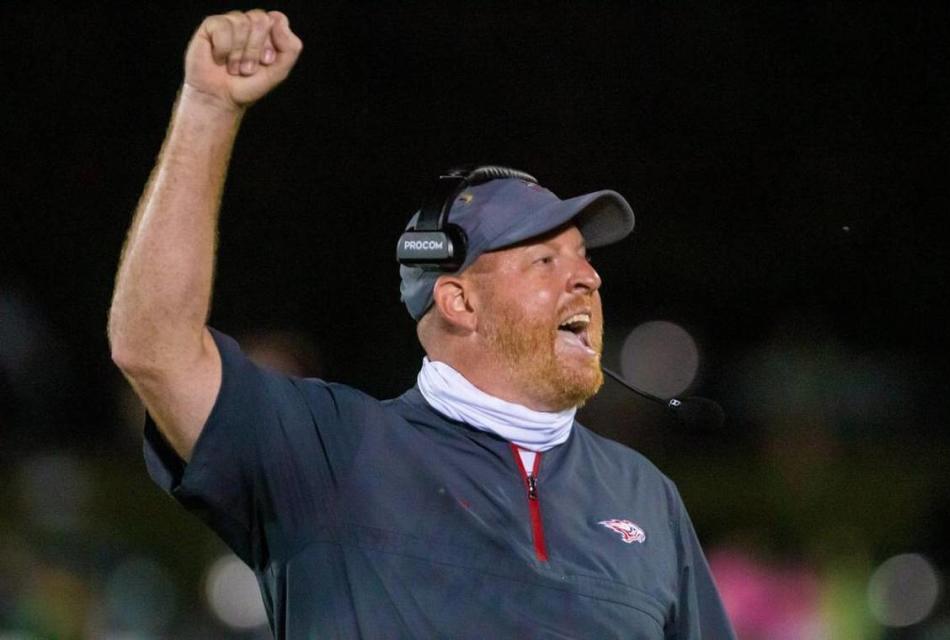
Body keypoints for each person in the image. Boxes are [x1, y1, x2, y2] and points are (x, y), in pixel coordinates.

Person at [108, 9, 735, 639]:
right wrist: (208, 108)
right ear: (459, 302)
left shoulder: (646, 498)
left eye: (586, 259)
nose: (588, 279)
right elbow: (153, 348)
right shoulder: (330, 449)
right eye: (545, 259)